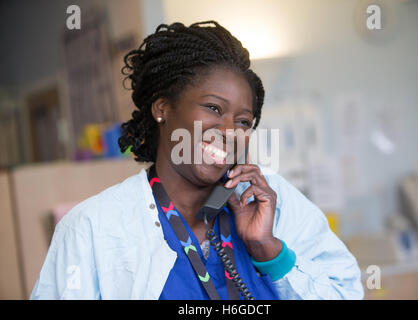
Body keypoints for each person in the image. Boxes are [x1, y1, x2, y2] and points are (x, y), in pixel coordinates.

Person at [30, 21, 363, 300]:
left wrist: (270, 251)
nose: (230, 131)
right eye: (213, 109)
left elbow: (346, 292)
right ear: (162, 108)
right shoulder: (94, 228)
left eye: (244, 121)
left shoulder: (273, 203)